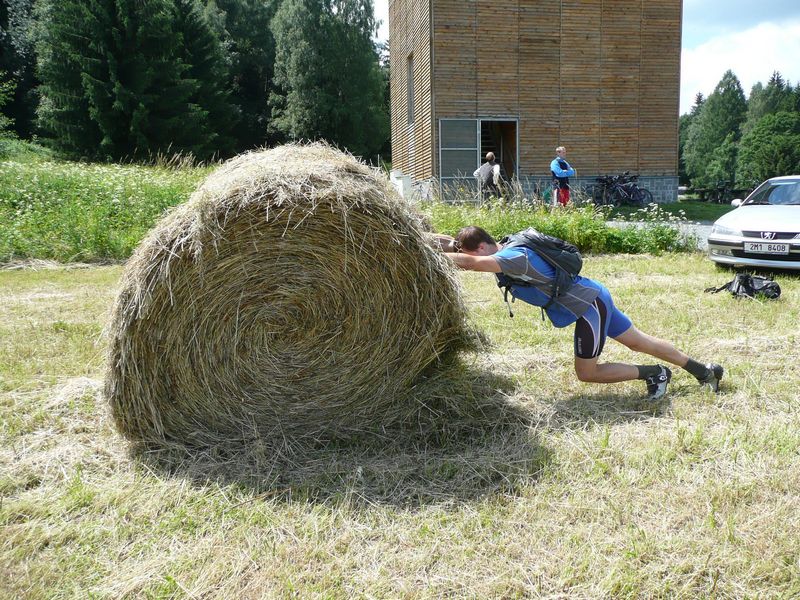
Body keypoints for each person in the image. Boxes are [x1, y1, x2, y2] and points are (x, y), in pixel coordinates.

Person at [440, 225, 724, 400]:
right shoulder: (507, 246)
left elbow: (470, 263)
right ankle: (704, 371)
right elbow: (455, 249)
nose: (469, 259)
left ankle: (654, 373)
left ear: (480, 247)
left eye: (470, 253)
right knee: (640, 342)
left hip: (588, 305)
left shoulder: (514, 258)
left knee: (586, 373)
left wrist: (435, 259)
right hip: (594, 295)